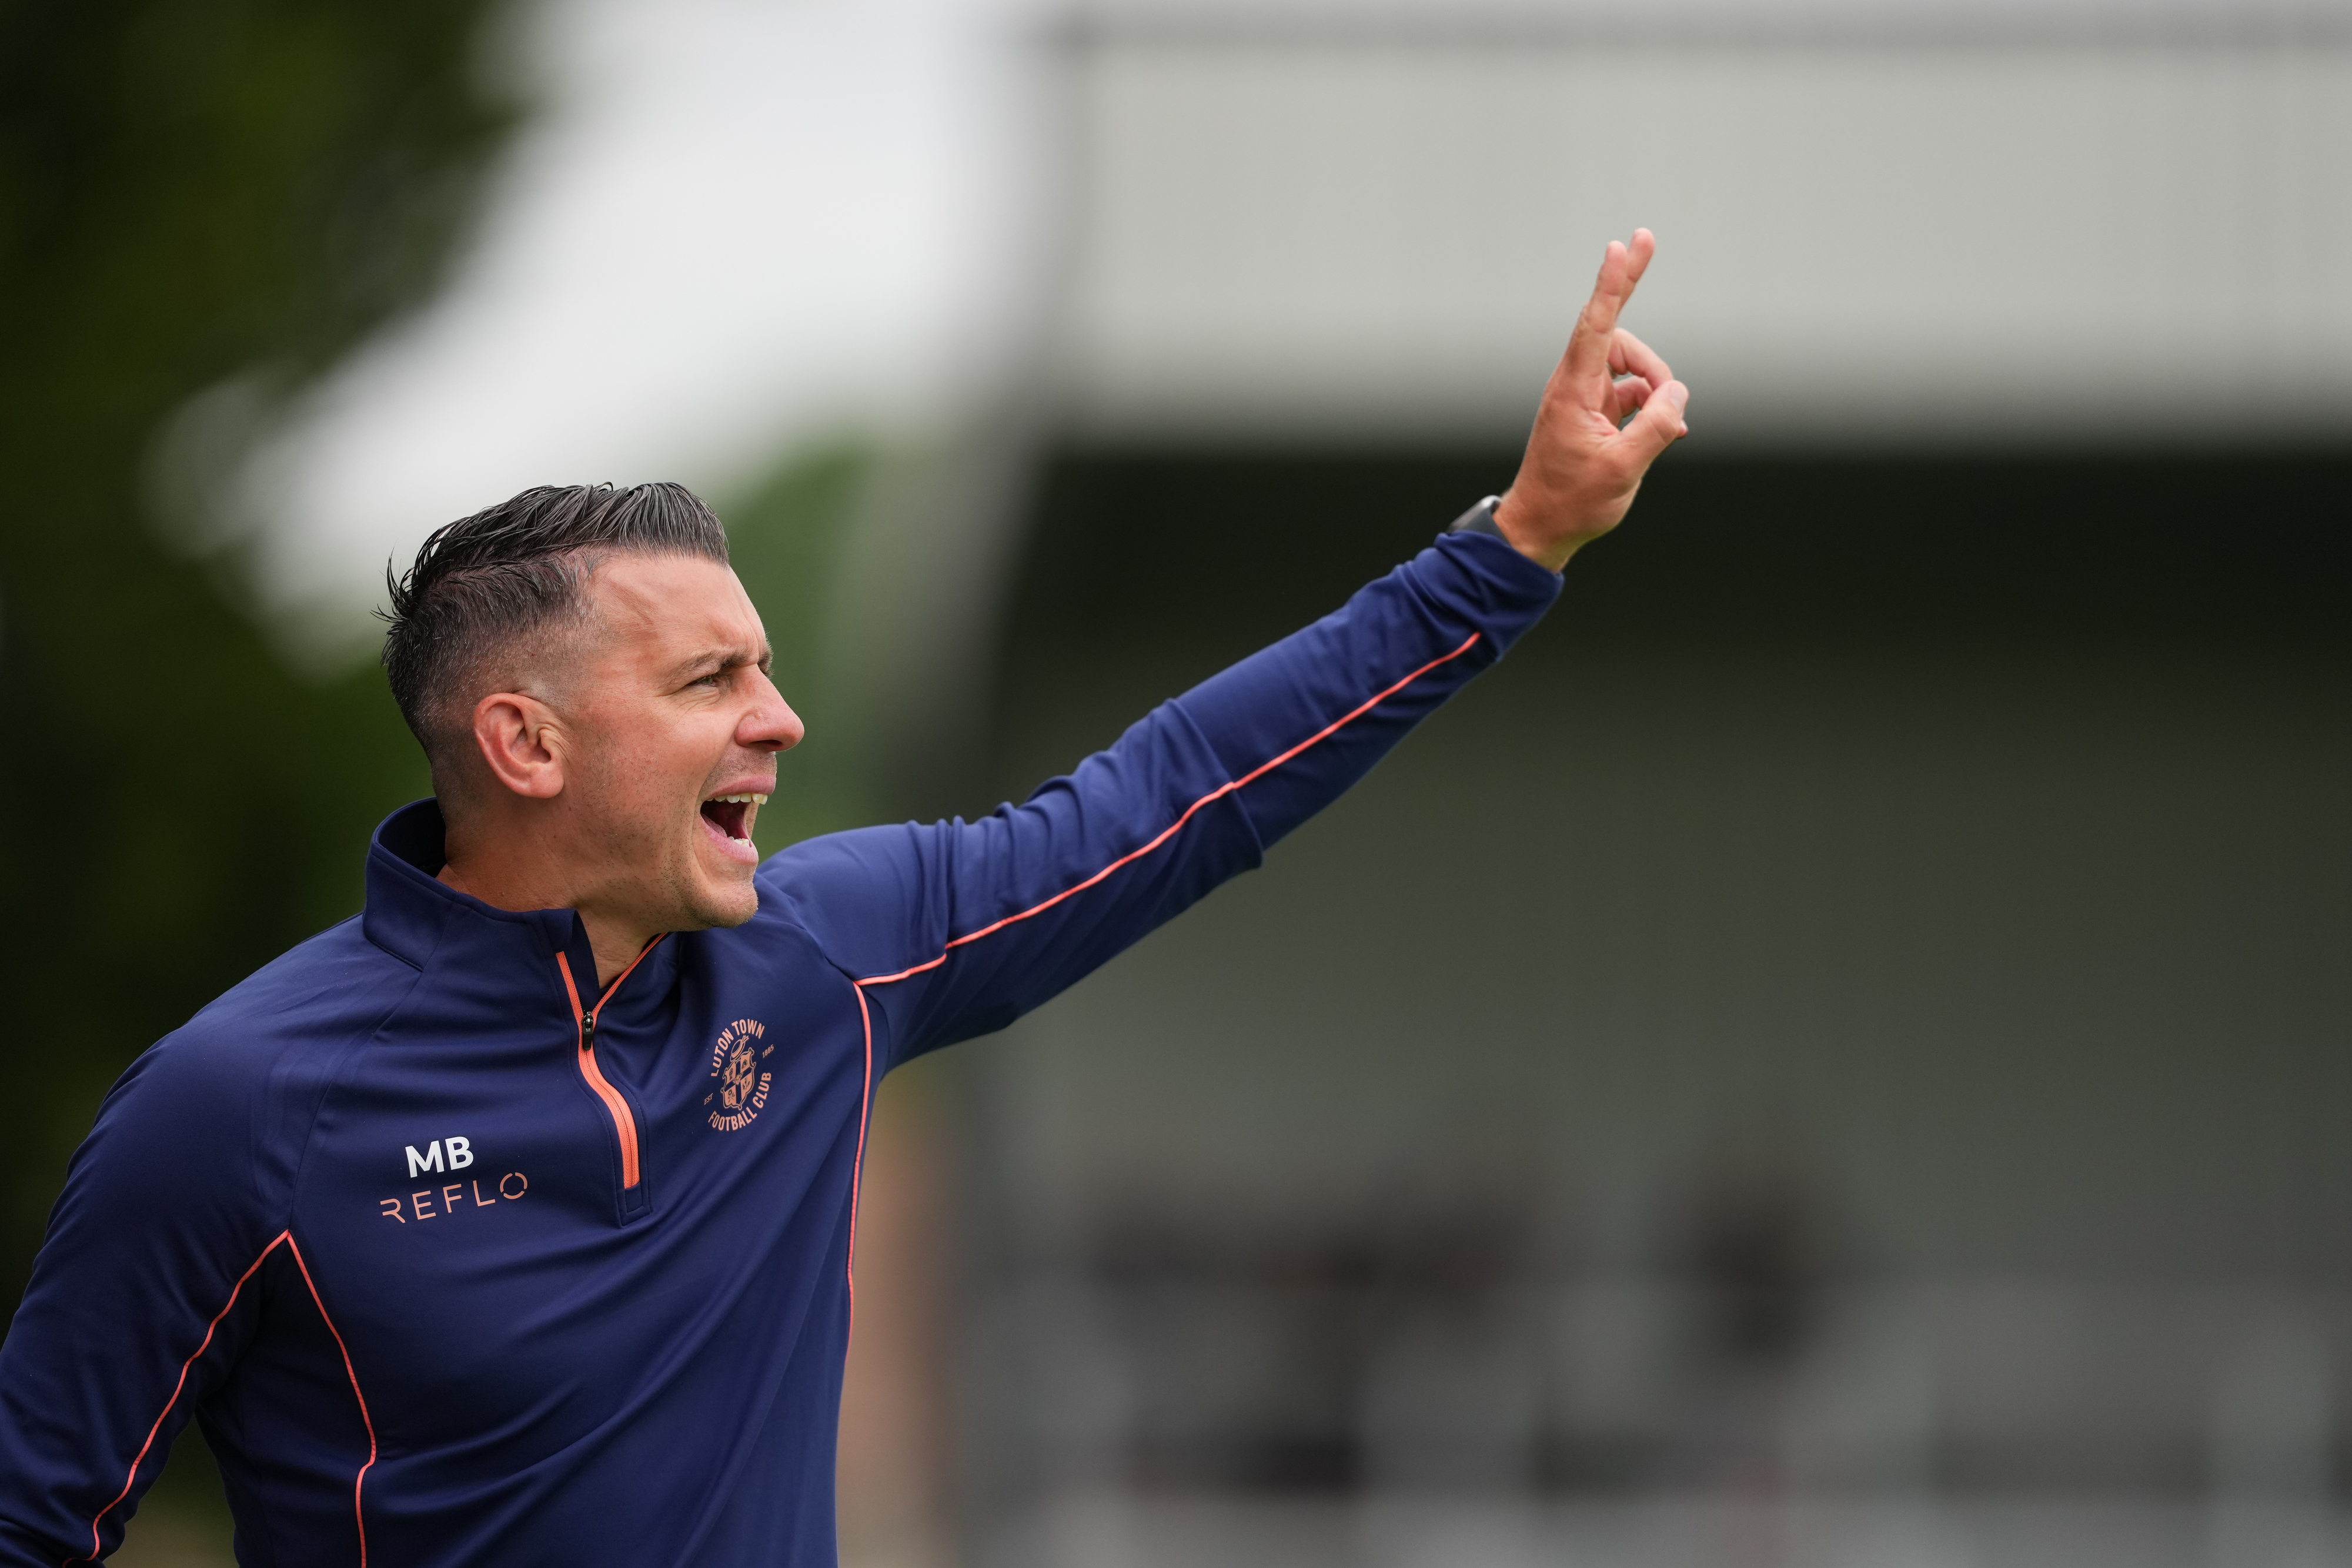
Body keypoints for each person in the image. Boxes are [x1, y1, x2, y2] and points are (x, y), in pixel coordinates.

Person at [0, 232, 1688, 1566]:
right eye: (710, 680)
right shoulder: (240, 1108)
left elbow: (1175, 794)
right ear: (525, 742)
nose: (780, 719)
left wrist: (1512, 545)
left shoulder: (822, 962)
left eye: (767, 666)